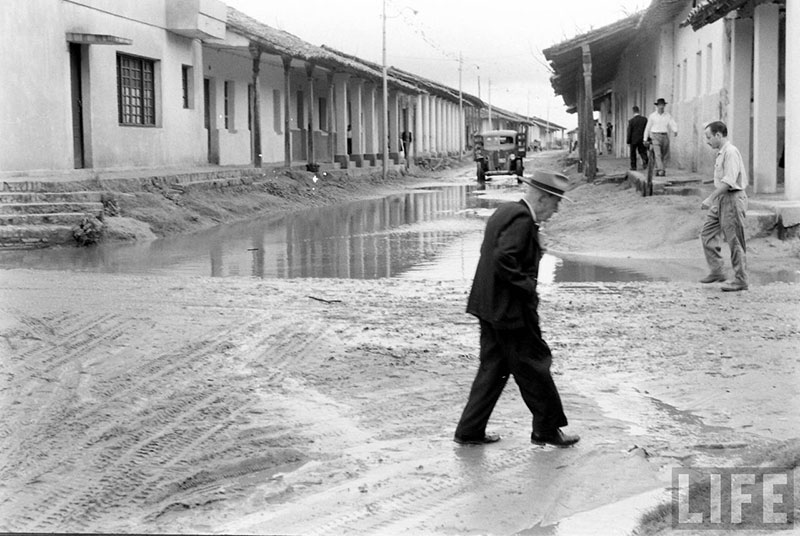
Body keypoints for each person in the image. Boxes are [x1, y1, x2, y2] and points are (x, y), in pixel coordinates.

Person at [453, 170, 580, 448]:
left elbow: (499, 253)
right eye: (556, 202)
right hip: (510, 312)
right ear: (543, 198)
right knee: (536, 365)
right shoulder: (522, 220)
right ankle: (546, 430)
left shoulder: (507, 211)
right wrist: (528, 286)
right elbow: (504, 257)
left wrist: (536, 249)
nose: (556, 210)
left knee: (493, 369)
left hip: (488, 307)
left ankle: (469, 430)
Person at [699, 121, 749, 292]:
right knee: (707, 233)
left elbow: (729, 181)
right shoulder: (721, 153)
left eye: (709, 137)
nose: (707, 141)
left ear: (718, 135)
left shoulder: (731, 152)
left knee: (734, 239)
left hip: (732, 199)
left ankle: (741, 279)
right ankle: (717, 270)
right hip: (722, 199)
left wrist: (710, 198)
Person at [644, 98, 678, 176]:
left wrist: (675, 130)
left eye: (662, 105)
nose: (661, 107)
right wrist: (645, 138)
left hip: (664, 135)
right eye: (660, 105)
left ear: (664, 106)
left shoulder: (667, 115)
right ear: (657, 106)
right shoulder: (652, 116)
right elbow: (648, 127)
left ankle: (658, 168)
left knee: (665, 154)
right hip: (655, 135)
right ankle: (661, 170)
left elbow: (672, 123)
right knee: (657, 154)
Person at [627, 106, 649, 170]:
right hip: (642, 138)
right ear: (639, 111)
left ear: (633, 111)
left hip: (633, 140)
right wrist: (647, 138)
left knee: (633, 153)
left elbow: (629, 131)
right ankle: (645, 160)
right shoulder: (644, 119)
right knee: (642, 151)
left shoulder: (631, 121)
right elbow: (647, 129)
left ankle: (633, 166)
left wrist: (628, 141)